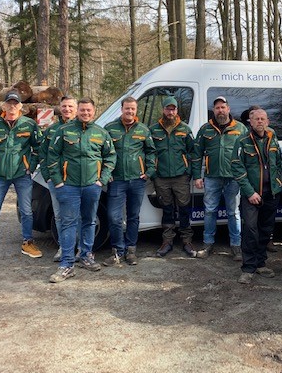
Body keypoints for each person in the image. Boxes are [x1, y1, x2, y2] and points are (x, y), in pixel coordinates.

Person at [47, 98, 116, 283]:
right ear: (78, 111)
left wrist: (101, 180)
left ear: (94, 111)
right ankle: (67, 264)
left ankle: (86, 256)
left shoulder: (101, 133)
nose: (85, 113)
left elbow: (110, 156)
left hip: (92, 186)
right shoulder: (64, 131)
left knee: (89, 221)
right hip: (69, 186)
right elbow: (52, 155)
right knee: (68, 223)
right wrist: (58, 182)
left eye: (88, 110)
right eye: (83, 110)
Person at [0, 91, 43, 261]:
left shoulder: (29, 124)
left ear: (20, 106)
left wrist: (30, 166)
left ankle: (28, 242)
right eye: (9, 103)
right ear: (4, 106)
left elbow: (38, 147)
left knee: (26, 211)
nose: (12, 106)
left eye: (15, 103)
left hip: (22, 174)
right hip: (0, 176)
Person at [231, 108, 282, 284]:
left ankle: (261, 264)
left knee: (265, 230)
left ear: (267, 121)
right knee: (250, 230)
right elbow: (237, 167)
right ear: (250, 122)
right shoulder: (242, 141)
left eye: (263, 119)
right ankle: (248, 268)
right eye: (256, 119)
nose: (260, 121)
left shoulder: (272, 138)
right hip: (252, 194)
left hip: (272, 193)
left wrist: (279, 183)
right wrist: (250, 192)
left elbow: (279, 162)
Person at [102, 96, 156, 267]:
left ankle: (131, 250)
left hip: (137, 180)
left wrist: (149, 172)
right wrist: (106, 172)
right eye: (127, 108)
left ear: (136, 110)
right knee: (114, 217)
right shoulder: (110, 128)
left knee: (133, 216)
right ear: (122, 109)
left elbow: (151, 152)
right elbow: (102, 152)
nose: (130, 111)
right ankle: (117, 251)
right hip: (117, 180)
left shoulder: (143, 130)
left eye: (133, 109)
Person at [193, 96, 247, 260]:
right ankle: (208, 244)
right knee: (210, 211)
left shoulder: (240, 128)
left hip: (234, 178)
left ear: (228, 109)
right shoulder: (205, 129)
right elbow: (196, 154)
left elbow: (247, 154)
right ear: (213, 110)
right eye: (217, 108)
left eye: (223, 107)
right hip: (212, 177)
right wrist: (197, 176)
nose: (220, 110)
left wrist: (245, 177)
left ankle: (236, 246)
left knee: (233, 212)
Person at [149, 96, 199, 258]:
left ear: (177, 110)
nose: (170, 112)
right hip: (161, 177)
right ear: (163, 110)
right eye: (168, 109)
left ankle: (186, 241)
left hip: (181, 177)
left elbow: (193, 152)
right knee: (167, 209)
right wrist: (153, 173)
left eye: (173, 109)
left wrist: (188, 171)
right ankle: (167, 241)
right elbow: (149, 152)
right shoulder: (153, 130)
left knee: (184, 208)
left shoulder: (185, 129)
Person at [38, 96, 79, 261]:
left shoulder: (81, 128)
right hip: (56, 181)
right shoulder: (51, 130)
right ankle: (64, 247)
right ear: (60, 108)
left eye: (70, 106)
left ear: (76, 109)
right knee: (60, 215)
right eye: (64, 106)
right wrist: (47, 177)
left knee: (79, 215)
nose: (67, 109)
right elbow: (42, 154)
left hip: (76, 180)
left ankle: (80, 248)